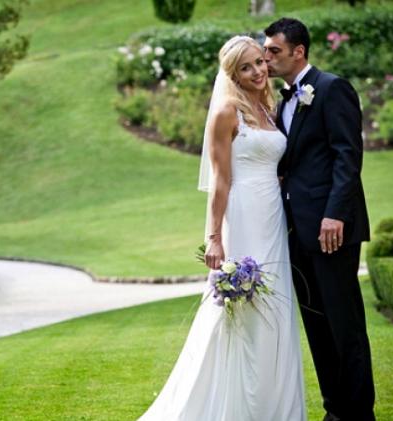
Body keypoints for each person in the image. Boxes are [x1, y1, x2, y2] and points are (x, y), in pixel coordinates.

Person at [137, 35, 306, 420]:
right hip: (243, 214)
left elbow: (275, 165)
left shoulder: (269, 108)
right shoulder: (226, 113)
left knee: (275, 308)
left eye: (259, 63)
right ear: (232, 74)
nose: (257, 72)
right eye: (245, 68)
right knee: (243, 306)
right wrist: (213, 237)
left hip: (273, 216)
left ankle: (273, 407)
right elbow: (220, 181)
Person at [263, 18, 375, 421]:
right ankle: (336, 409)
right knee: (317, 326)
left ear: (299, 51)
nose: (267, 57)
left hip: (332, 230)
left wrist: (334, 215)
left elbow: (348, 156)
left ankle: (360, 413)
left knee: (345, 327)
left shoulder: (331, 89)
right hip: (296, 232)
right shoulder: (282, 100)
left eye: (274, 51)